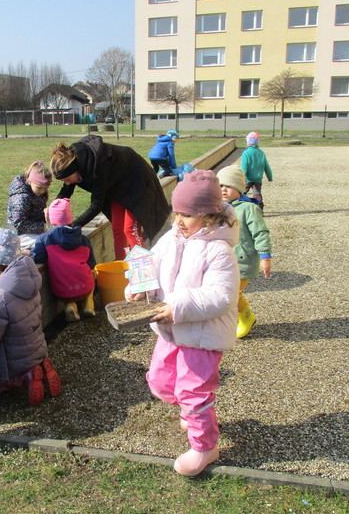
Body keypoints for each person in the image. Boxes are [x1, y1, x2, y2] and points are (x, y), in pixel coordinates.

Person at [126, 170, 239, 477]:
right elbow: (152, 267)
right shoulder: (172, 238)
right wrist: (140, 287)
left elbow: (221, 296)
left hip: (202, 335)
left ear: (207, 215)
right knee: (160, 381)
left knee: (192, 391)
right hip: (171, 330)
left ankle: (205, 446)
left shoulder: (219, 250)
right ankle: (192, 412)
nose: (178, 220)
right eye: (176, 213)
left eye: (186, 215)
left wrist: (176, 306)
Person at [0, 228, 61, 406]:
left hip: (12, 359)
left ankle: (21, 377)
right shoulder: (28, 278)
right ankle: (38, 366)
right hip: (36, 347)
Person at [50, 135, 170, 261]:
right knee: (117, 229)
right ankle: (120, 266)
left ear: (75, 169)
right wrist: (53, 206)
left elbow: (96, 205)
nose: (68, 183)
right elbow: (67, 189)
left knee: (130, 229)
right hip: (117, 185)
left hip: (137, 180)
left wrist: (73, 225)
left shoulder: (97, 167)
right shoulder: (74, 165)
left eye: (67, 179)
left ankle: (142, 266)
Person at [217, 165, 272, 338]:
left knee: (232, 293)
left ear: (240, 188)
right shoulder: (217, 208)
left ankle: (246, 317)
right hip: (223, 260)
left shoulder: (249, 208)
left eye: (229, 186)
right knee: (223, 291)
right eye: (220, 186)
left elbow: (260, 233)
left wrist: (265, 257)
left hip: (242, 260)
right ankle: (233, 317)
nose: (223, 189)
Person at [32, 198, 97, 323]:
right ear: (70, 219)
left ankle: (70, 306)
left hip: (62, 290)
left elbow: (39, 258)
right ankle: (88, 305)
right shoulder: (83, 239)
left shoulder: (44, 239)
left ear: (51, 222)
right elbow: (92, 263)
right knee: (92, 274)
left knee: (66, 282)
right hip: (85, 286)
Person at [6, 161, 52, 249]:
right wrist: (43, 227)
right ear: (29, 181)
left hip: (33, 232)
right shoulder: (21, 198)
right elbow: (19, 224)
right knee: (48, 241)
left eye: (45, 188)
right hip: (19, 236)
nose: (42, 191)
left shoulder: (35, 192)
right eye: (39, 188)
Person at [240, 131, 273, 210]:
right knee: (257, 194)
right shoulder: (261, 153)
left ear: (248, 142)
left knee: (242, 192)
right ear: (258, 142)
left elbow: (244, 167)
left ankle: (239, 207)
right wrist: (270, 177)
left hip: (247, 178)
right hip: (258, 179)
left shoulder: (246, 153)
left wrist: (241, 177)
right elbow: (266, 166)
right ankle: (260, 209)